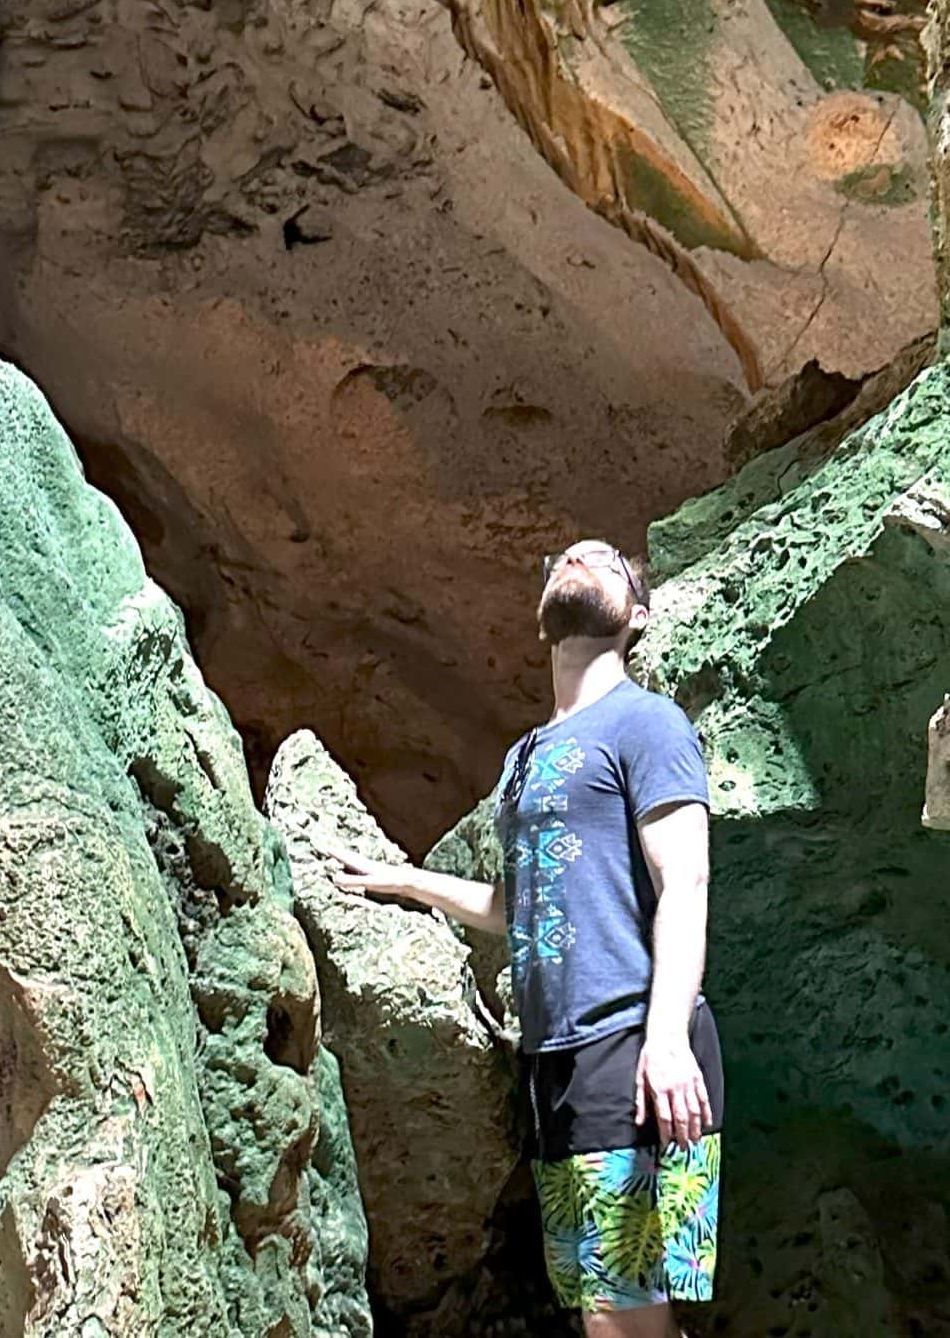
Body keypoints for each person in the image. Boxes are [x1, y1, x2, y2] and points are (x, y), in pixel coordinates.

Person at [324, 538, 721, 1334]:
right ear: (541, 620)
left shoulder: (647, 722)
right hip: (554, 1059)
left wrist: (668, 1035)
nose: (575, 558)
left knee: (622, 1308)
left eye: (603, 558)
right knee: (602, 1310)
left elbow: (687, 878)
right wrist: (402, 879)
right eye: (562, 558)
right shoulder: (524, 758)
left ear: (636, 617)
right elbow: (520, 903)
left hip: (631, 1042)